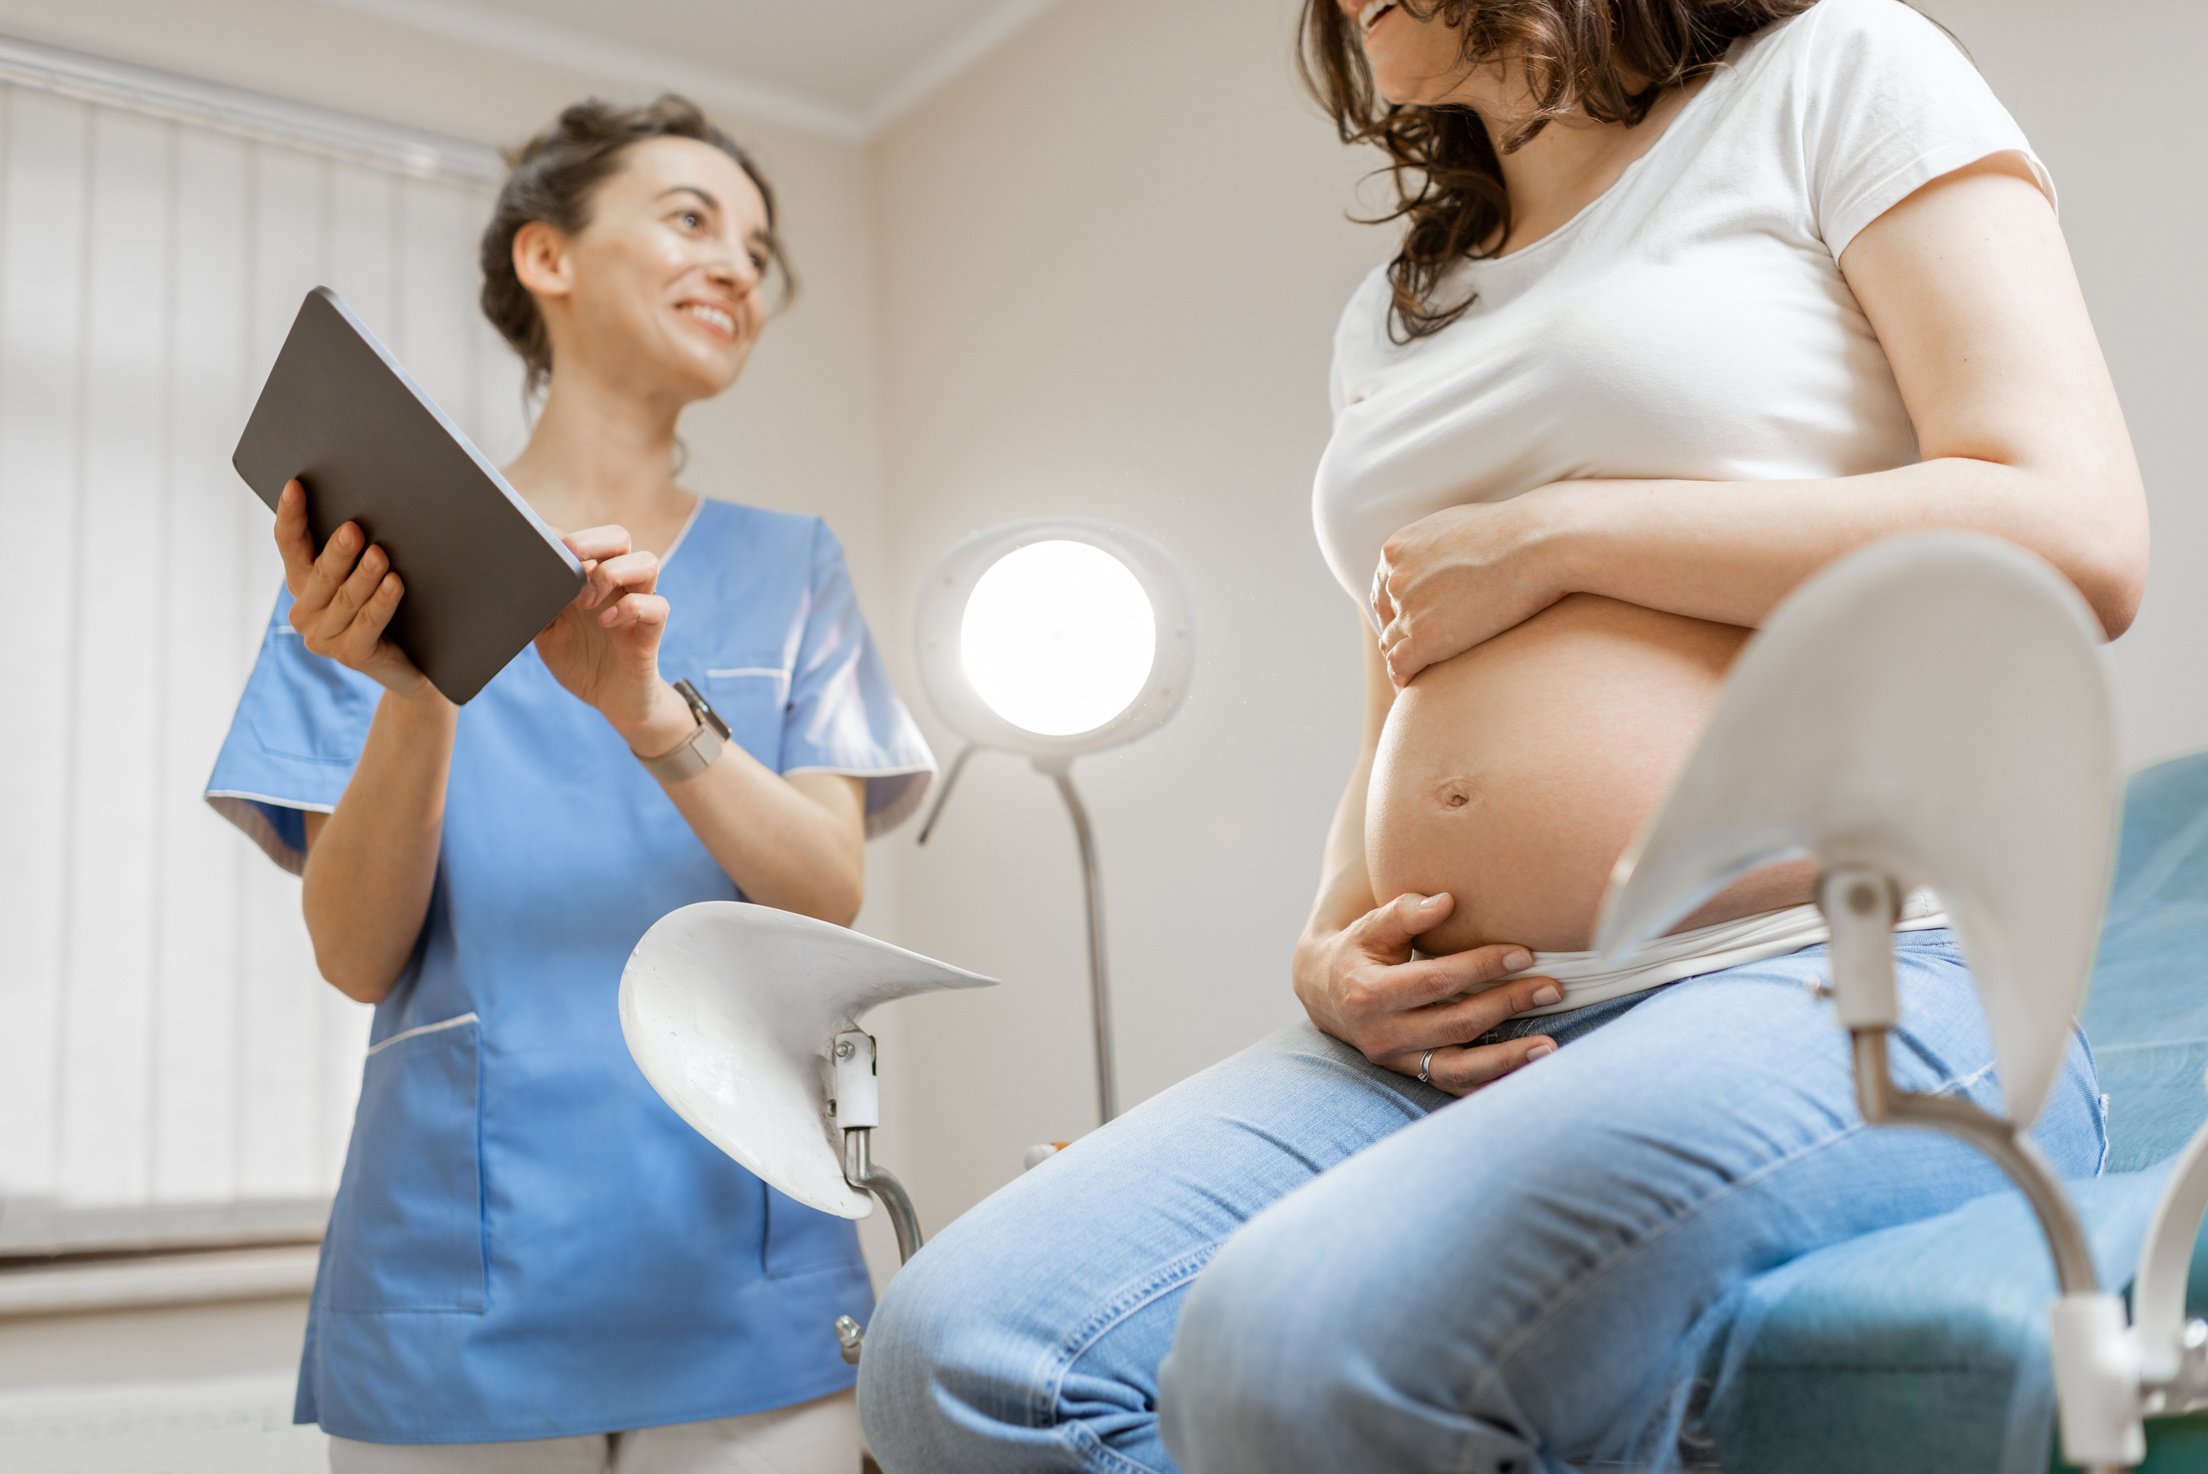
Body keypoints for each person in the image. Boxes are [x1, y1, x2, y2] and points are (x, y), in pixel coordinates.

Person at [854, 1, 2148, 1471]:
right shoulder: (1402, 304)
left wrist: (1567, 536)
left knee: (1287, 1350)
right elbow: (1404, 677)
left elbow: (2074, 529)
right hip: (1439, 1044)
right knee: (961, 1354)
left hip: (1820, 970)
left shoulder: (1835, 69)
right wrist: (1329, 942)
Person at [204, 95, 933, 1471]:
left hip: (749, 1269)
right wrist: (419, 687)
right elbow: (359, 952)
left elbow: (827, 890)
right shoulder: (368, 564)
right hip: (462, 1286)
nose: (737, 265)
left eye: (757, 246)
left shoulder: (796, 570)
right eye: (689, 219)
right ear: (548, 258)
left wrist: (649, 711)